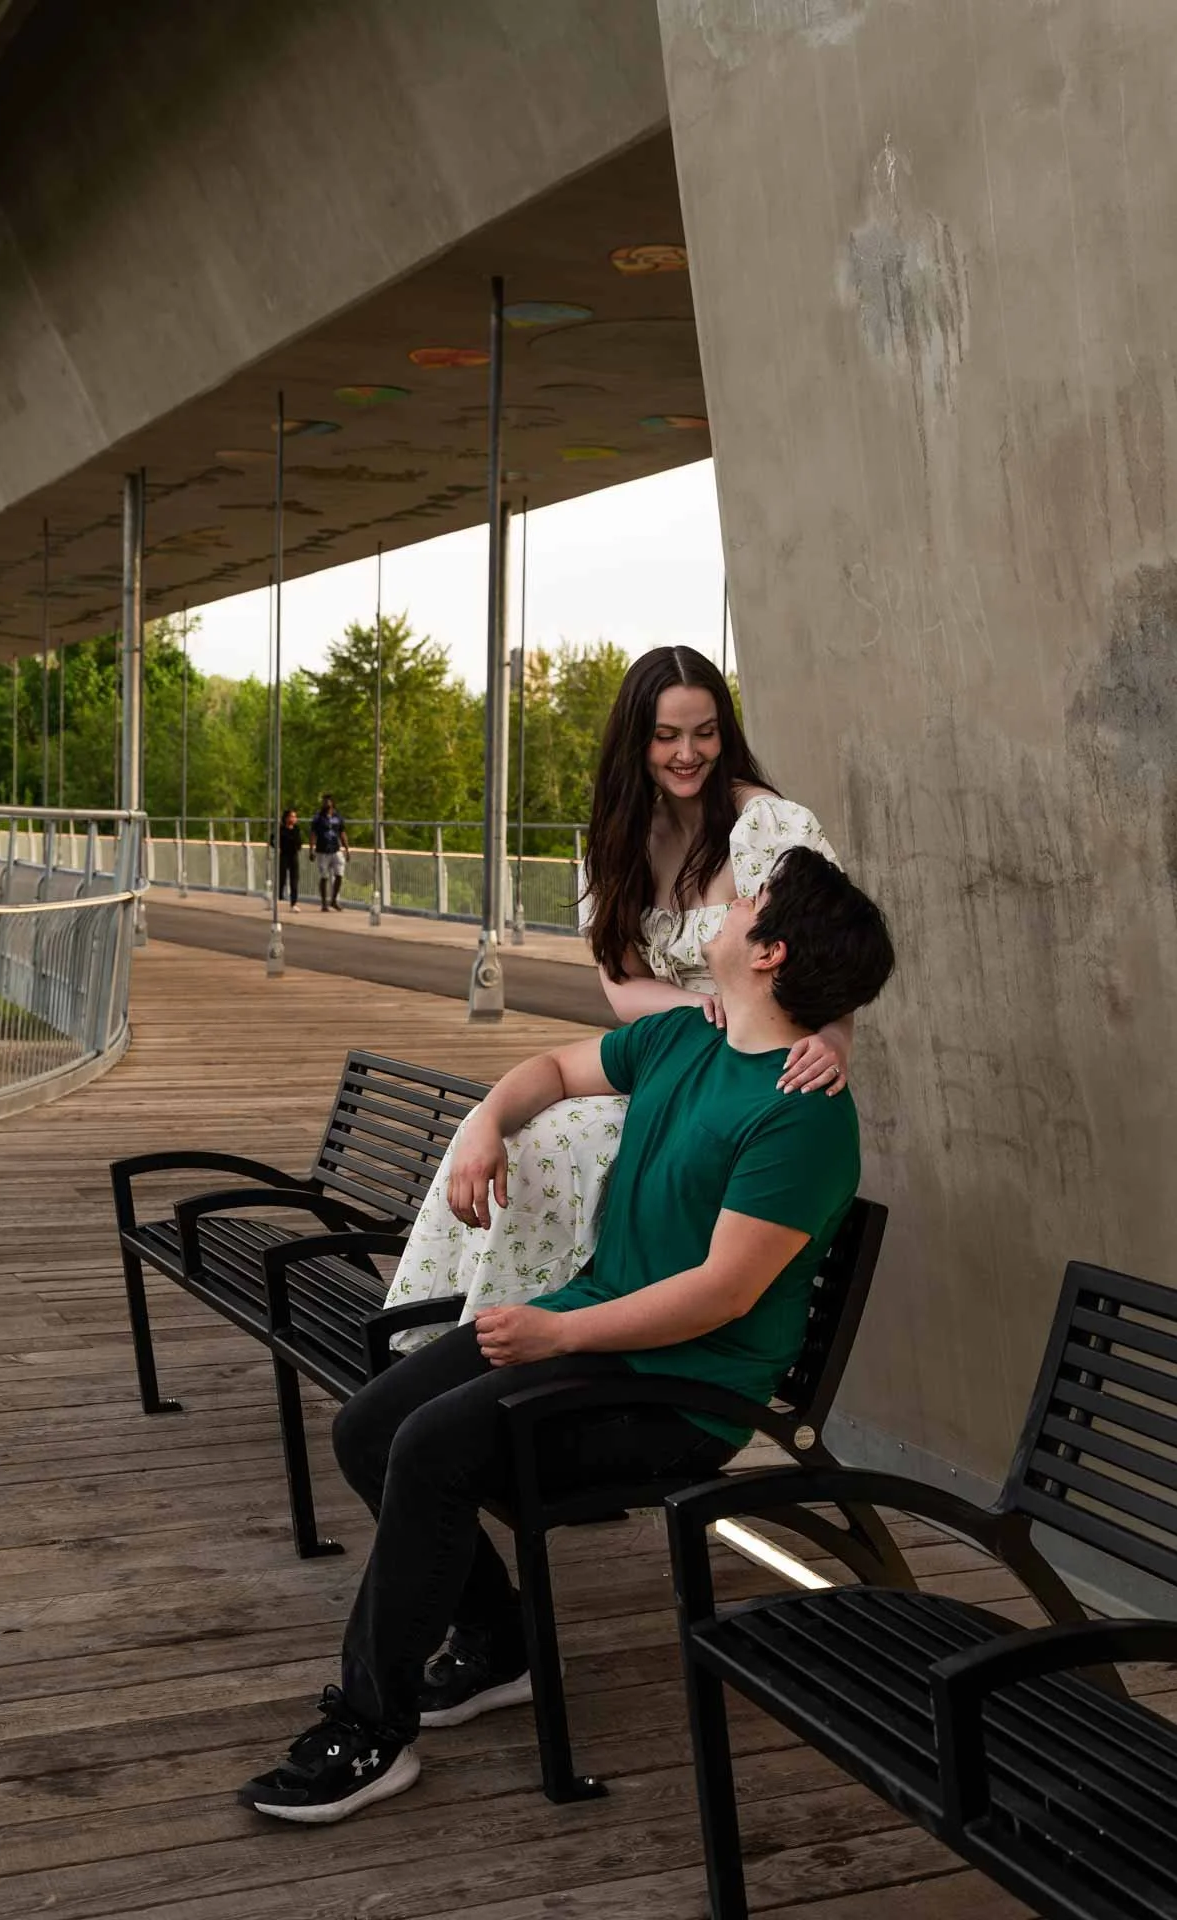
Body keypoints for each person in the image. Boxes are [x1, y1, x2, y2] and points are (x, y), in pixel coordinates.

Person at [237, 845, 896, 1823]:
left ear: (770, 952)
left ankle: (373, 1731)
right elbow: (548, 1068)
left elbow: (719, 1294)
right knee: (368, 1430)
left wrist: (557, 1332)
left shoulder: (800, 1118)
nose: (723, 908)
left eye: (746, 902)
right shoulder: (685, 1042)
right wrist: (482, 1128)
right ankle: (501, 1649)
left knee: (431, 1449)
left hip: (679, 1391)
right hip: (589, 1330)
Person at [384, 644, 851, 1341]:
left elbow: (828, 940)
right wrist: (699, 1014)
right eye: (665, 736)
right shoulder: (620, 837)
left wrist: (833, 1039)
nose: (686, 753)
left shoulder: (767, 827)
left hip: (750, 1068)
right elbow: (621, 983)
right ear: (636, 739)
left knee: (561, 1139)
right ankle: (452, 1334)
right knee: (518, 1130)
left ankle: (518, 1337)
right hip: (665, 1049)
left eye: (704, 732)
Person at [309, 793, 350, 912]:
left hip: (335, 849)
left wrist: (347, 849)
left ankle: (334, 900)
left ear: (332, 802)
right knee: (324, 876)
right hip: (322, 850)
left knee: (339, 874)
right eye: (324, 801)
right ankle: (324, 903)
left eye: (328, 801)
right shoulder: (318, 817)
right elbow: (313, 833)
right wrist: (311, 849)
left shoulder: (338, 816)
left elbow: (342, 833)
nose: (326, 803)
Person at [276, 807, 303, 912]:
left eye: (295, 817)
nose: (293, 819)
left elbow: (299, 842)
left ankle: (294, 902)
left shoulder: (296, 829)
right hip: (284, 855)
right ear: (286, 818)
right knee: (282, 878)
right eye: (291, 816)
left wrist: (297, 845)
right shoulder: (281, 829)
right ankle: (279, 897)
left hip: (294, 855)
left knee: (294, 880)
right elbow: (274, 840)